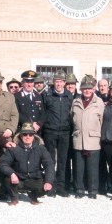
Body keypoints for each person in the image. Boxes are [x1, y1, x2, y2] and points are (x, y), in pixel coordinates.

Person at [0, 122, 55, 205]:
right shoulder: (14, 148)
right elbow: (3, 163)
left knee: (49, 185)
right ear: (20, 135)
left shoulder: (41, 148)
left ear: (34, 136)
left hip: (34, 178)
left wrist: (48, 181)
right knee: (8, 178)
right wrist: (12, 173)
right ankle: (14, 197)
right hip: (18, 178)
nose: (28, 137)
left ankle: (33, 196)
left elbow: (49, 164)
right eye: (25, 134)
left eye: (30, 134)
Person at [39, 69, 74, 197]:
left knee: (63, 160)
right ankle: (51, 185)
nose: (58, 84)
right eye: (56, 81)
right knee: (50, 160)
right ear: (53, 82)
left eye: (61, 81)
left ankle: (61, 186)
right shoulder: (47, 95)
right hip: (50, 131)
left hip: (65, 132)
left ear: (65, 83)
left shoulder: (69, 96)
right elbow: (43, 113)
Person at [71, 75, 104, 199]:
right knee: (78, 167)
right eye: (84, 88)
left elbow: (102, 120)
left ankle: (92, 190)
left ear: (93, 89)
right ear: (81, 89)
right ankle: (79, 190)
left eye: (89, 88)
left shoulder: (99, 102)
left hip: (92, 139)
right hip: (79, 138)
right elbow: (72, 117)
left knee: (92, 167)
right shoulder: (76, 101)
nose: (87, 91)